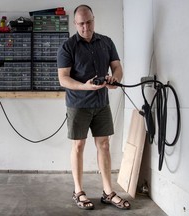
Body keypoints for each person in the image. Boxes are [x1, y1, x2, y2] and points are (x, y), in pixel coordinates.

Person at [57, 4, 130, 210]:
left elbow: (117, 67)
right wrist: (84, 86)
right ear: (75, 24)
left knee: (104, 145)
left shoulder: (106, 42)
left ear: (93, 19)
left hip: (101, 103)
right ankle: (78, 191)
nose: (86, 27)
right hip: (78, 104)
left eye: (89, 22)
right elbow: (63, 79)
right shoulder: (67, 47)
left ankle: (108, 192)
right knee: (78, 146)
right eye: (81, 24)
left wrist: (114, 79)